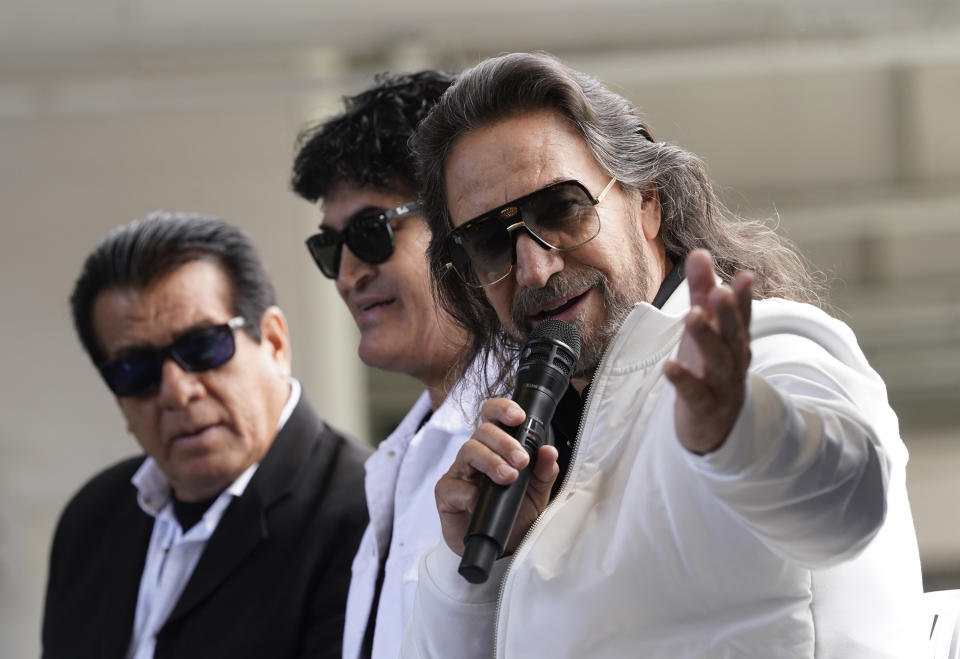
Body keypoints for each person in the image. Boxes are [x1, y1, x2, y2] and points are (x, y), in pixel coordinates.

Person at [401, 52, 926, 658]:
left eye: (561, 210)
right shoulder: (539, 444)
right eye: (490, 240)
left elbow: (849, 504)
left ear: (646, 201)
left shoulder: (762, 351)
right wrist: (478, 573)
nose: (535, 268)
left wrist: (740, 430)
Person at [42, 212, 370, 659]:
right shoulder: (91, 519)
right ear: (118, 397)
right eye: (135, 370)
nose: (177, 392)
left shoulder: (367, 511)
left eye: (202, 346)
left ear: (274, 343)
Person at [290, 70, 491, 659]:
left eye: (372, 232)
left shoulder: (545, 428)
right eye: (332, 248)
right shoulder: (401, 456)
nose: (349, 275)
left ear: (463, 220)